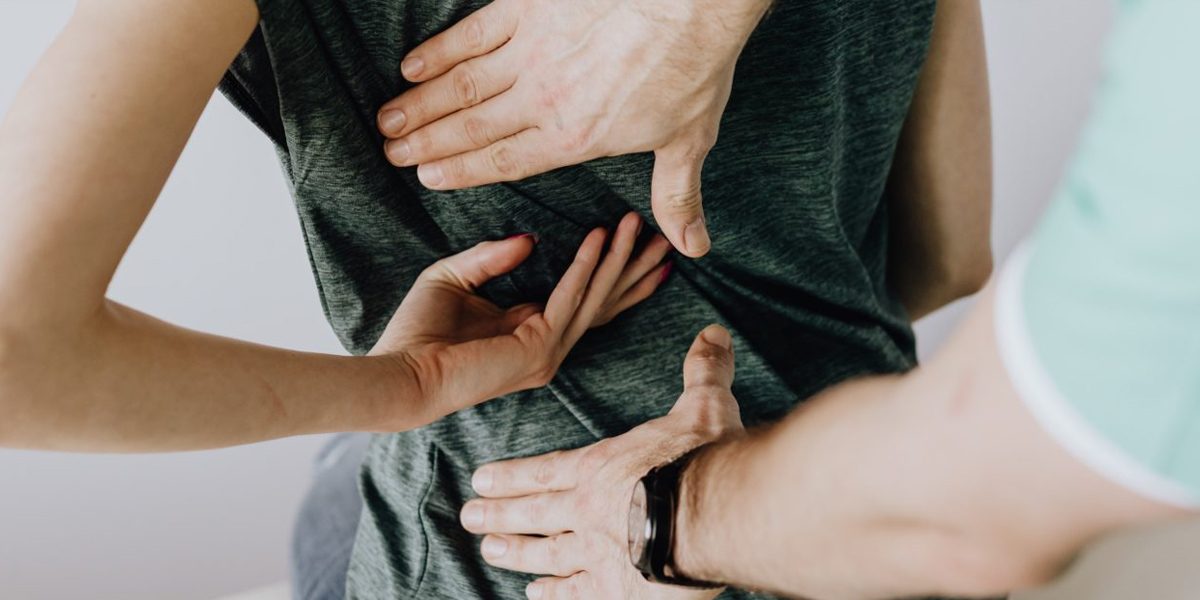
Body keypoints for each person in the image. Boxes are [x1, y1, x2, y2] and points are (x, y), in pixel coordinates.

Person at [0, 1, 991, 600]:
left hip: (502, 544)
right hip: (856, 513)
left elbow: (15, 358)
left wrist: (403, 388)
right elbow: (949, 258)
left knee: (340, 483)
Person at [461, 1, 1200, 599]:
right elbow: (949, 259)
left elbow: (980, 510)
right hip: (870, 531)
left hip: (579, 542)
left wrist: (666, 517)